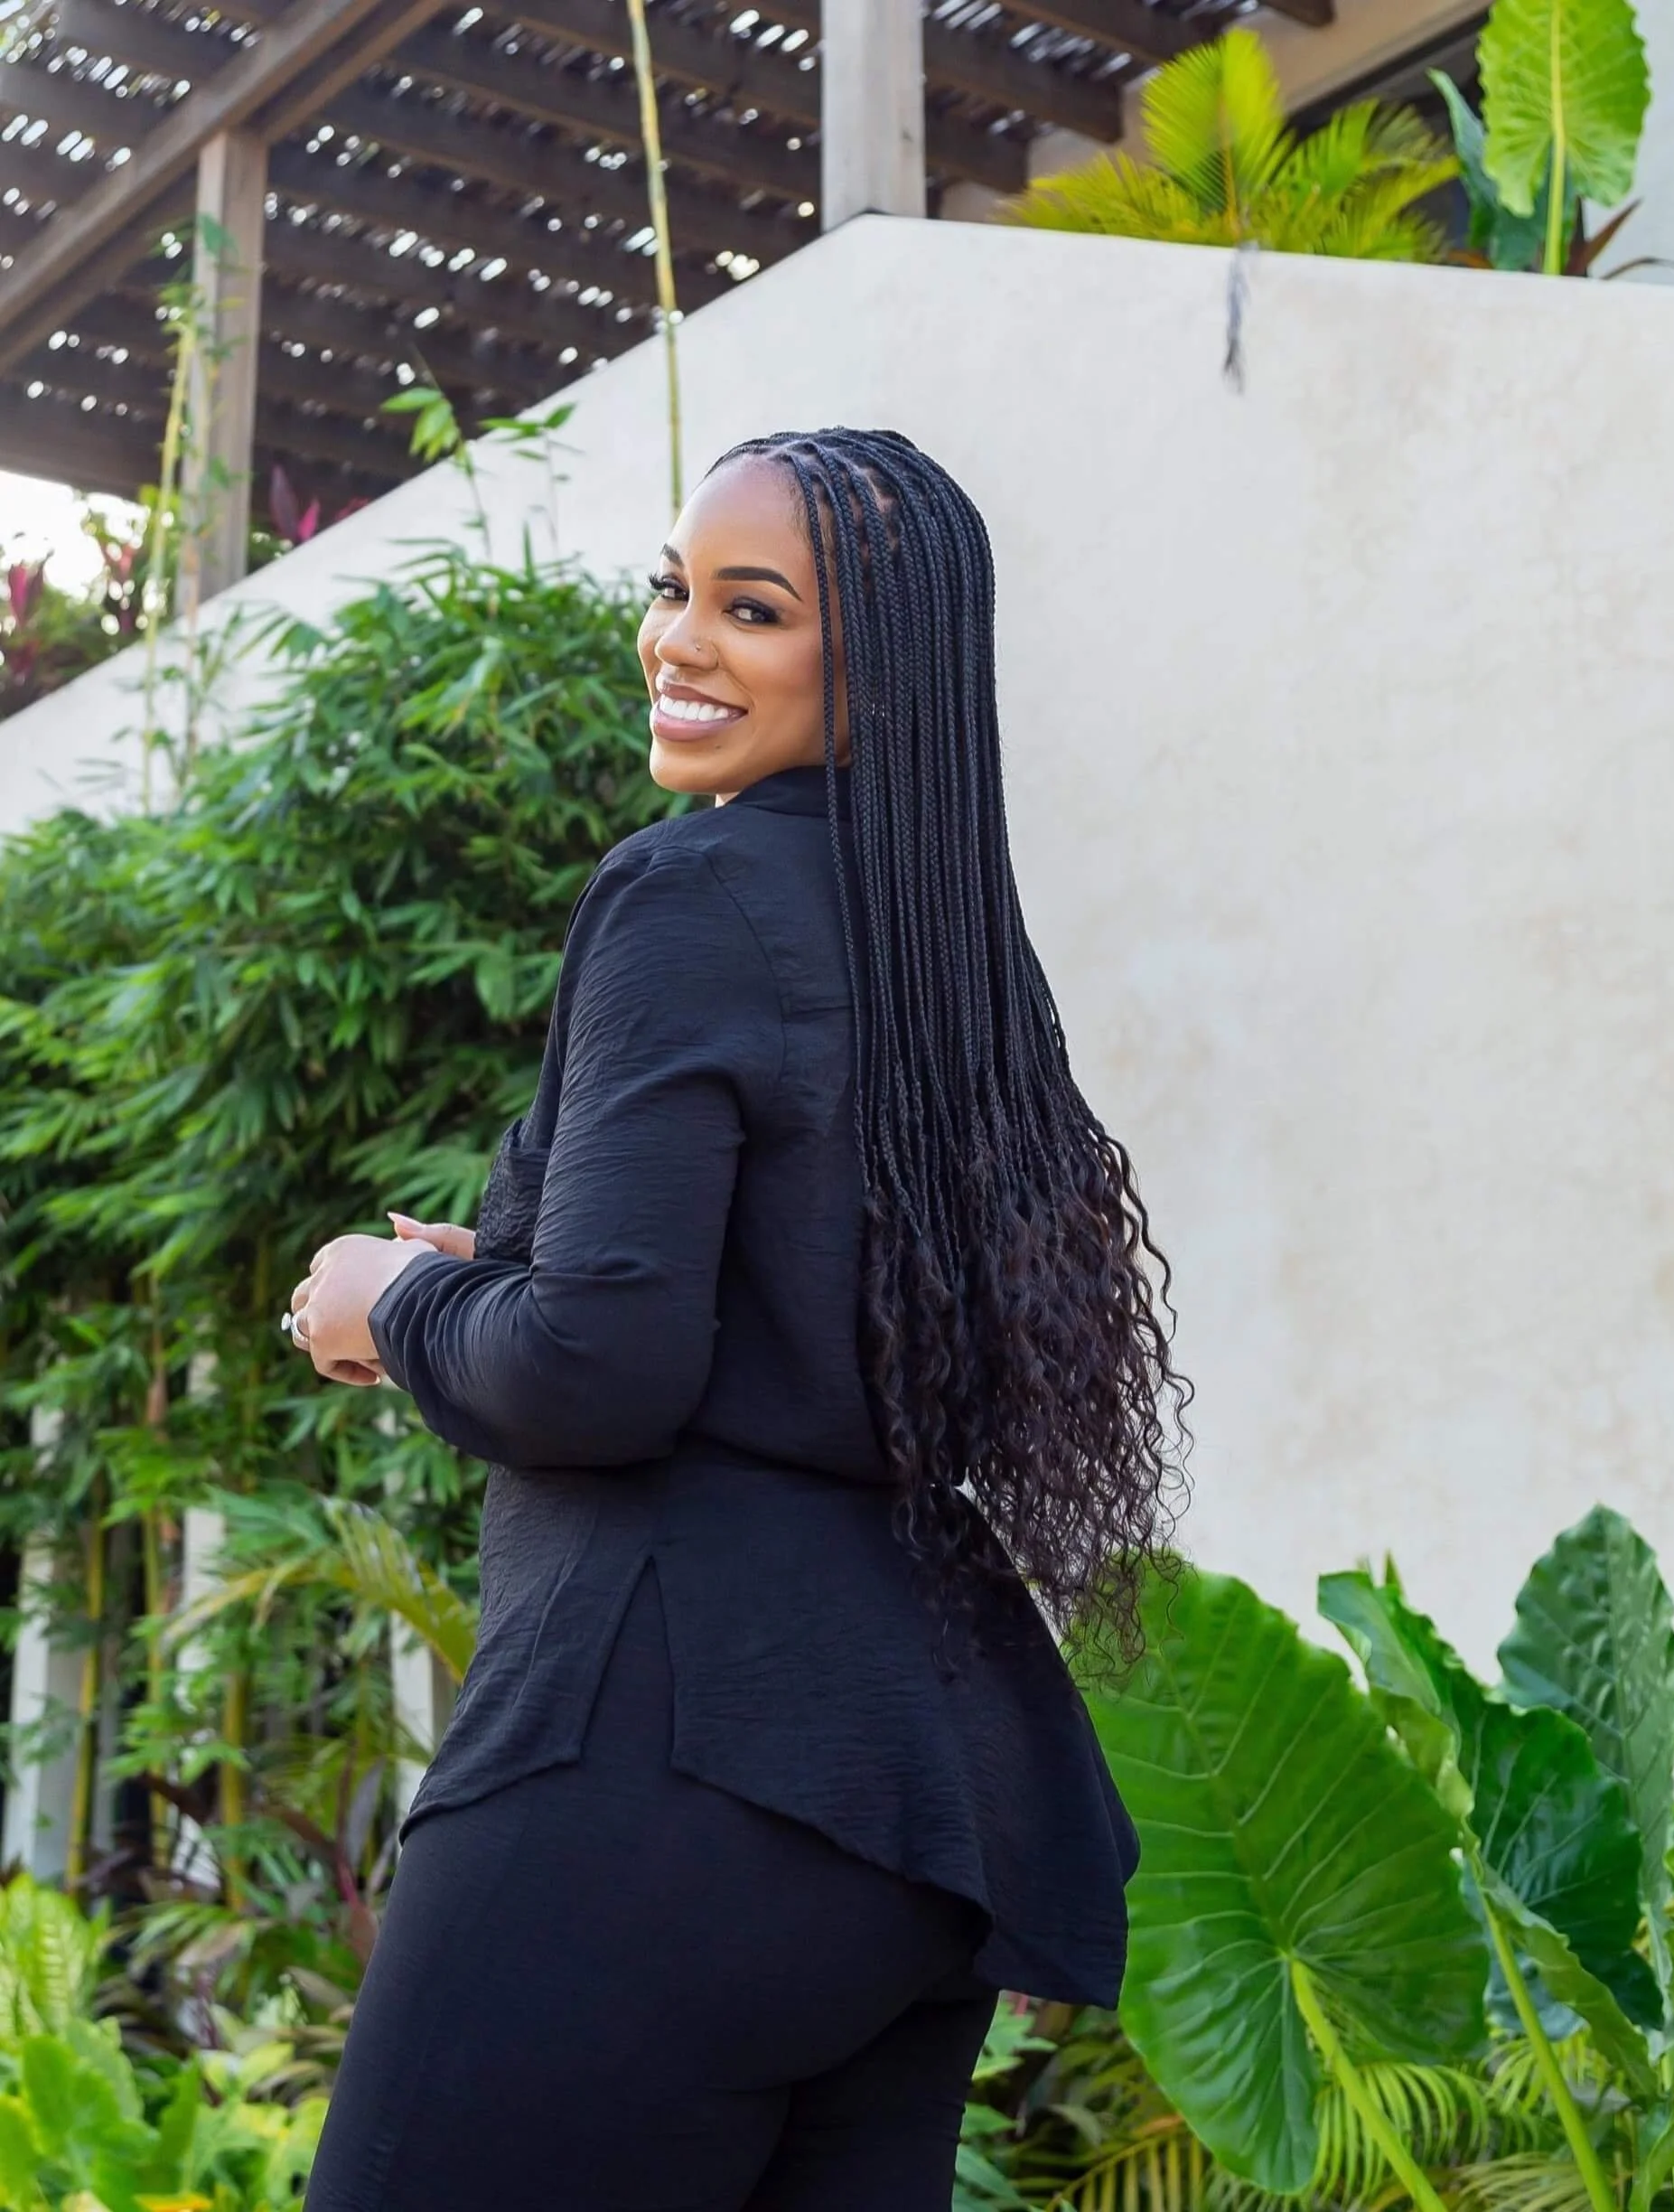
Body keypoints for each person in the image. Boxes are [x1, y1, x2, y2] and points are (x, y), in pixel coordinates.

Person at [289, 427, 1188, 2212]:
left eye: (751, 609)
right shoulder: (946, 946)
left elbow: (597, 1375)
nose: (679, 640)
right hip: (904, 1803)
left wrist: (392, 1304)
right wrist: (509, 1266)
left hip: (663, 1757)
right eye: (673, 588)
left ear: (876, 663)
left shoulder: (689, 892)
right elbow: (790, 1331)